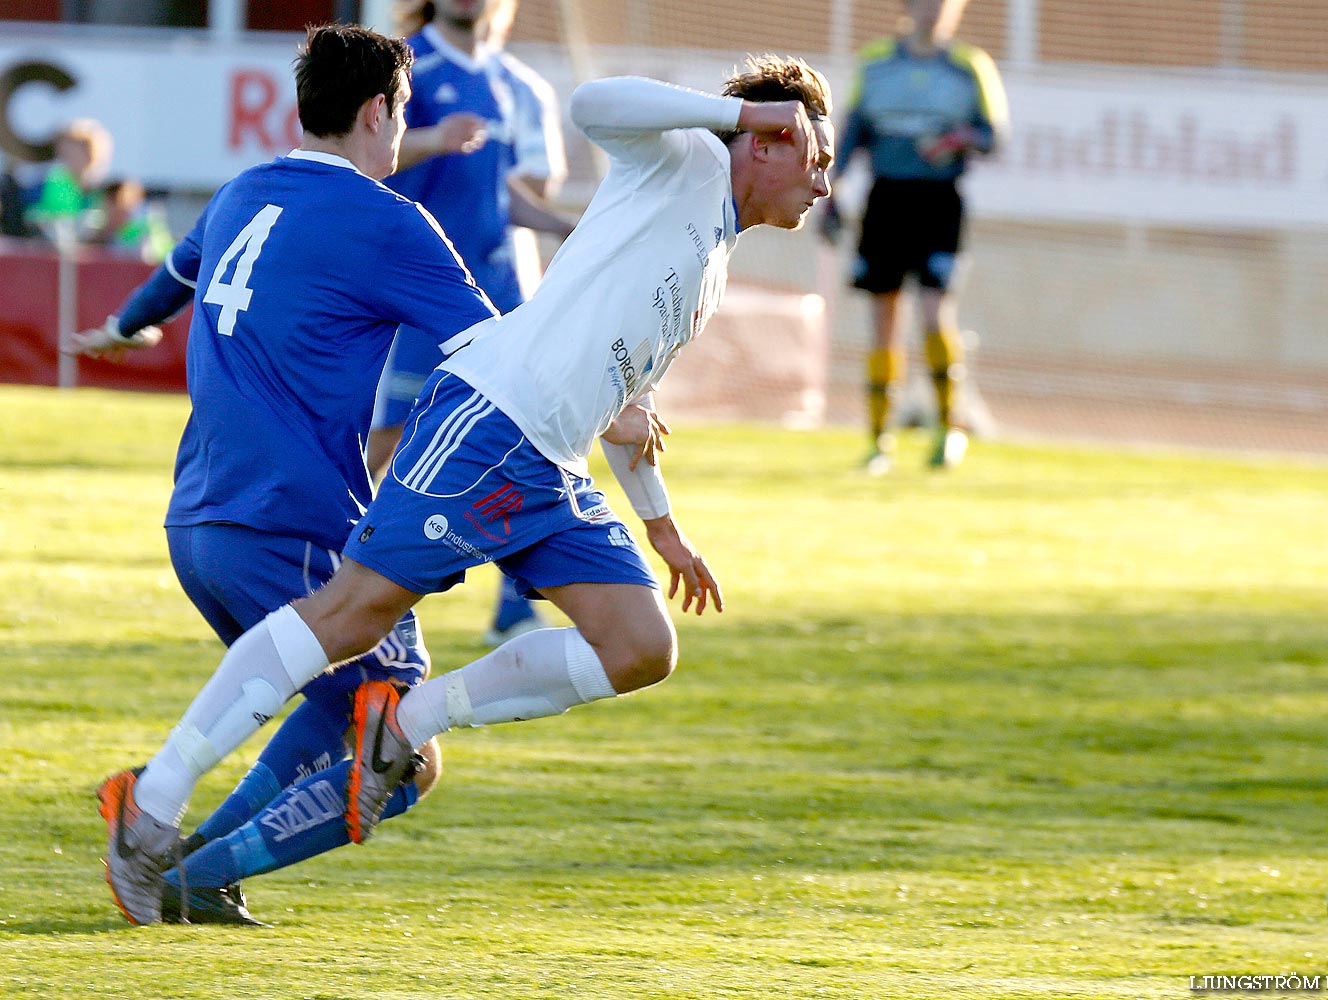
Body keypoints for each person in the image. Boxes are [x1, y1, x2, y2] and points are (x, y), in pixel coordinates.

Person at [96, 55, 834, 927]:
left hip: (552, 461)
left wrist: (664, 531)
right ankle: (157, 798)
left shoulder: (712, 255)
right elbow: (595, 102)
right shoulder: (689, 156)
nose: (824, 181)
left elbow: (629, 402)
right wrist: (737, 116)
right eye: (817, 154)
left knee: (639, 647)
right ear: (770, 139)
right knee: (354, 613)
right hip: (492, 421)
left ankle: (402, 728)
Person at [80, 23, 509, 926]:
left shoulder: (245, 191)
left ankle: (194, 866)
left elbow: (172, 275)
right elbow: (497, 354)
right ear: (377, 111)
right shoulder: (388, 219)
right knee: (401, 748)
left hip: (198, 521)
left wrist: (124, 326)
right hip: (293, 521)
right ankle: (172, 847)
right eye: (402, 115)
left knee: (335, 701)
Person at [375, 0, 575, 648]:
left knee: (527, 439)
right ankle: (326, 572)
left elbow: (509, 190)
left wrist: (576, 231)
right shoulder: (405, 67)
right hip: (415, 294)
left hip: (502, 295)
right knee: (386, 441)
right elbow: (359, 160)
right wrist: (432, 139)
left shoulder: (521, 86)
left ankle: (516, 602)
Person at [820, 0, 1007, 474]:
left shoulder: (971, 67)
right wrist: (831, 192)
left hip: (940, 202)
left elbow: (993, 136)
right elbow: (852, 136)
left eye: (942, 3)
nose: (933, 11)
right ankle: (879, 440)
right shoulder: (876, 63)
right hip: (886, 200)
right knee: (884, 318)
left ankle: (949, 430)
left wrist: (952, 141)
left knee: (933, 313)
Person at [26, 118, 112, 240]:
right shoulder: (50, 181)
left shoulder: (101, 189)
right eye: (62, 151)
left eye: (71, 150)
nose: (64, 156)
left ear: (90, 152)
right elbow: (32, 214)